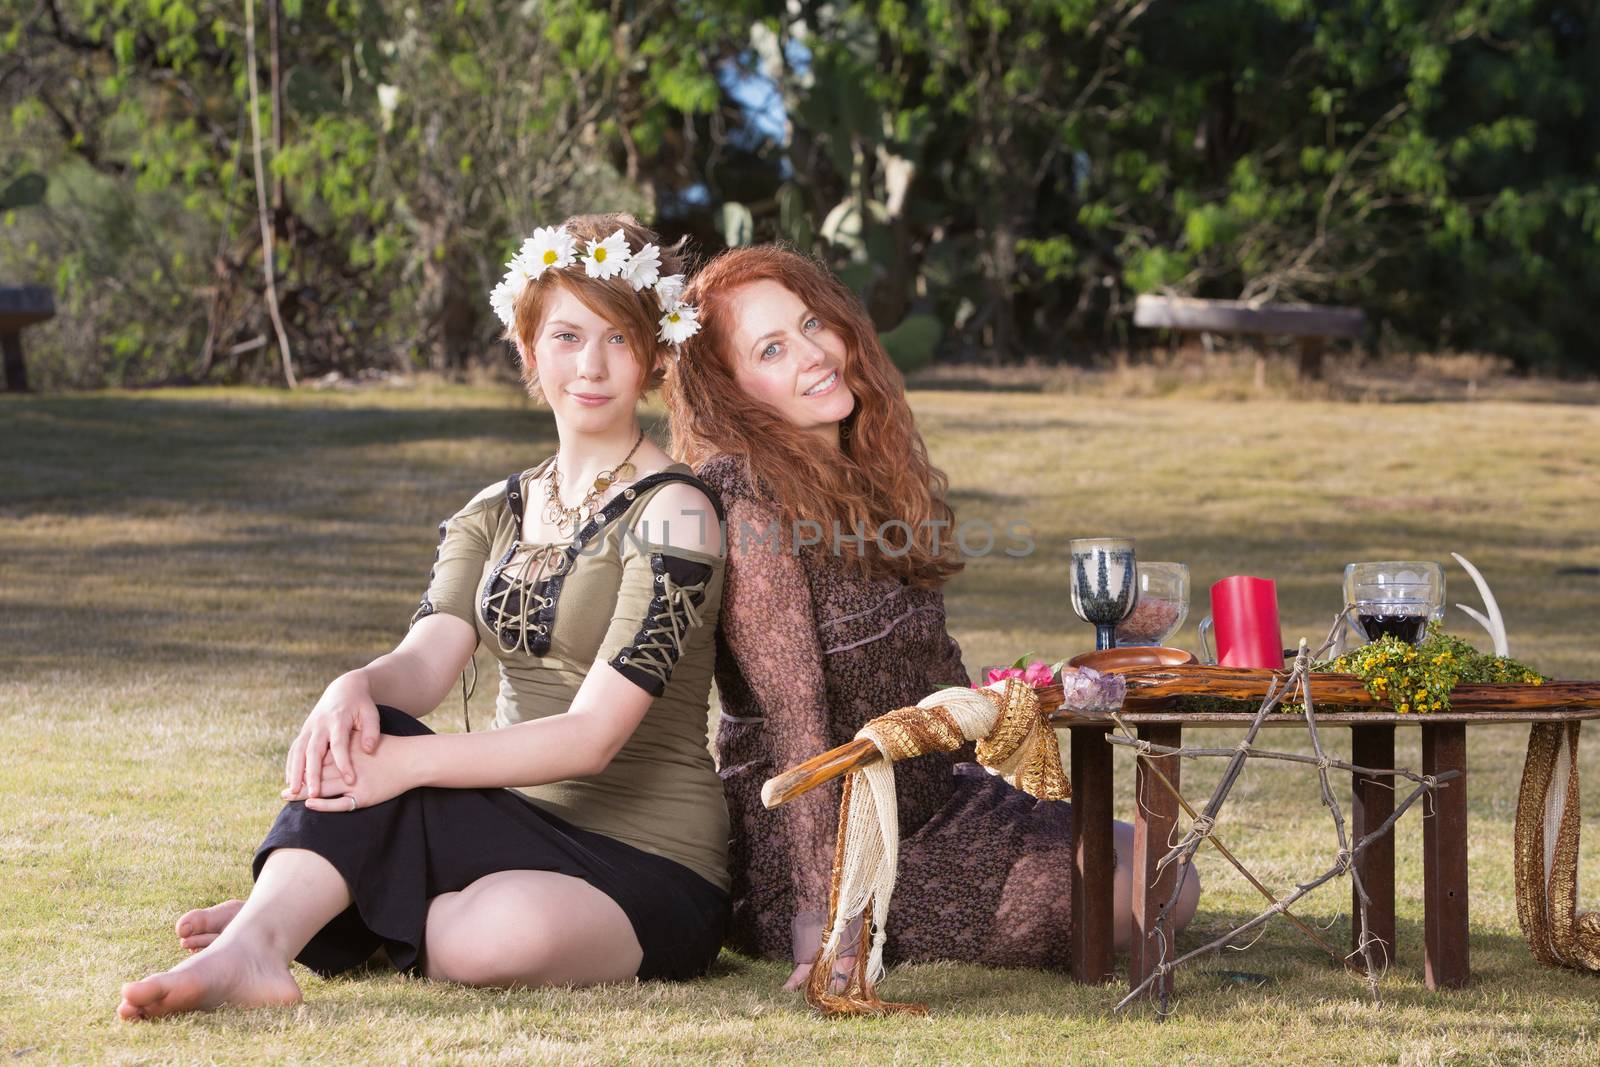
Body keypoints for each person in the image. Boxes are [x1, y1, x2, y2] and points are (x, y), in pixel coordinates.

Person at [118, 215, 730, 1021]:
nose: (591, 364)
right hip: (508, 823)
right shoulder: (492, 510)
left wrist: (408, 767)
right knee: (373, 723)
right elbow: (427, 661)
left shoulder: (678, 513)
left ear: (654, 354)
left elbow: (593, 739)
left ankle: (326, 900)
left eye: (618, 338)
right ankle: (257, 949)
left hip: (654, 861)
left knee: (485, 939)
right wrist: (355, 686)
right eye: (568, 335)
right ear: (528, 348)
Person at [663, 245, 1200, 990]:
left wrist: (1022, 697)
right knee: (1145, 893)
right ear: (729, 388)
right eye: (772, 348)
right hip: (833, 847)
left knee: (1167, 866)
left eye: (813, 322)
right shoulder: (747, 495)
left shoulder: (863, 476)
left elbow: (930, 671)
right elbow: (796, 726)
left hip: (943, 800)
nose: (814, 352)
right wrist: (827, 925)